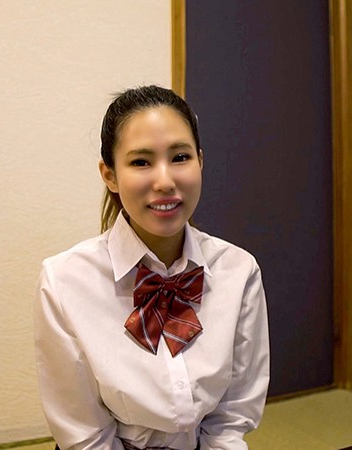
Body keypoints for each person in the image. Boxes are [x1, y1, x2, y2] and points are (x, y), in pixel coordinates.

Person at [34, 85, 269, 450]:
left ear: (200, 161)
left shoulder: (239, 272)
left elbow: (231, 420)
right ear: (110, 175)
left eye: (180, 157)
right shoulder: (64, 282)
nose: (165, 181)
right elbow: (85, 436)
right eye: (141, 162)